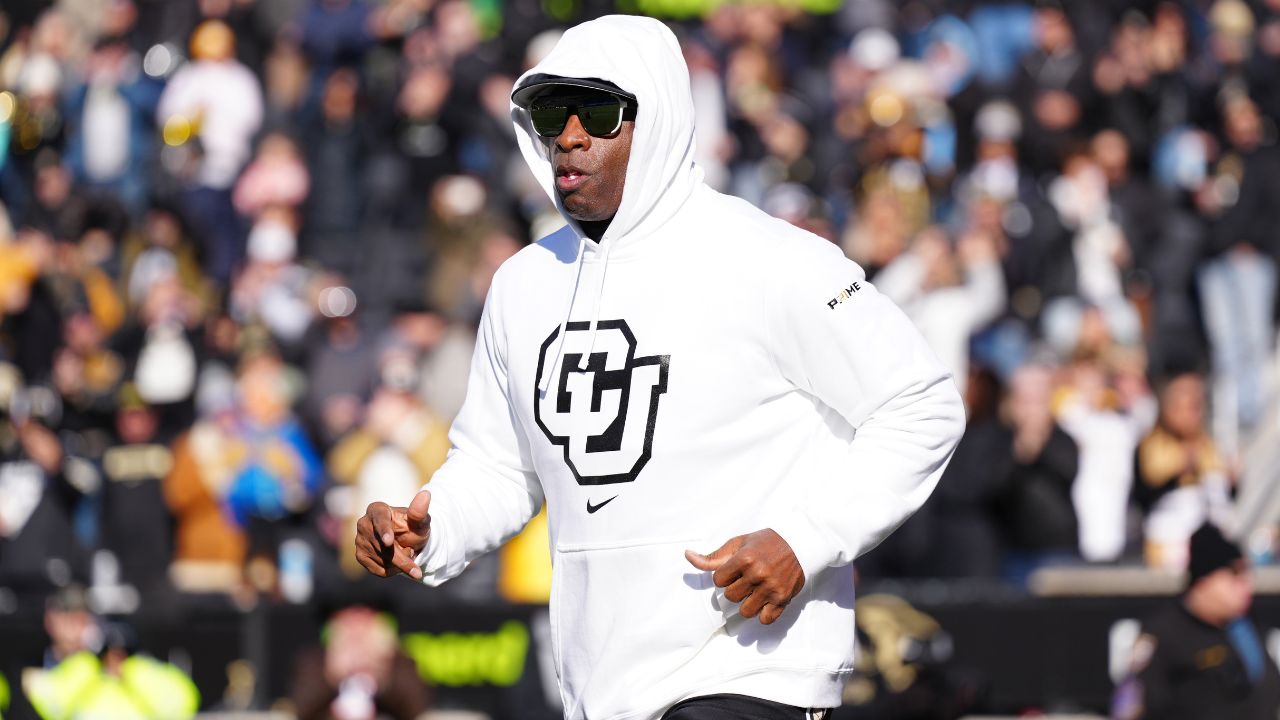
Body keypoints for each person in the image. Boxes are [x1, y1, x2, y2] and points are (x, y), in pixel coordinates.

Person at [355, 16, 965, 720]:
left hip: (753, 675)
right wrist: (431, 529)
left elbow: (921, 406)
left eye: (603, 112)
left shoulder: (776, 260)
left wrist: (807, 539)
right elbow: (499, 466)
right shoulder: (523, 285)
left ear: (663, 119)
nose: (573, 136)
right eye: (554, 112)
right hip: (601, 686)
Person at [1113, 522, 1280, 719]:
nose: (1246, 584)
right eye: (1235, 575)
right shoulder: (1164, 633)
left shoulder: (1246, 627)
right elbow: (1130, 707)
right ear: (1205, 580)